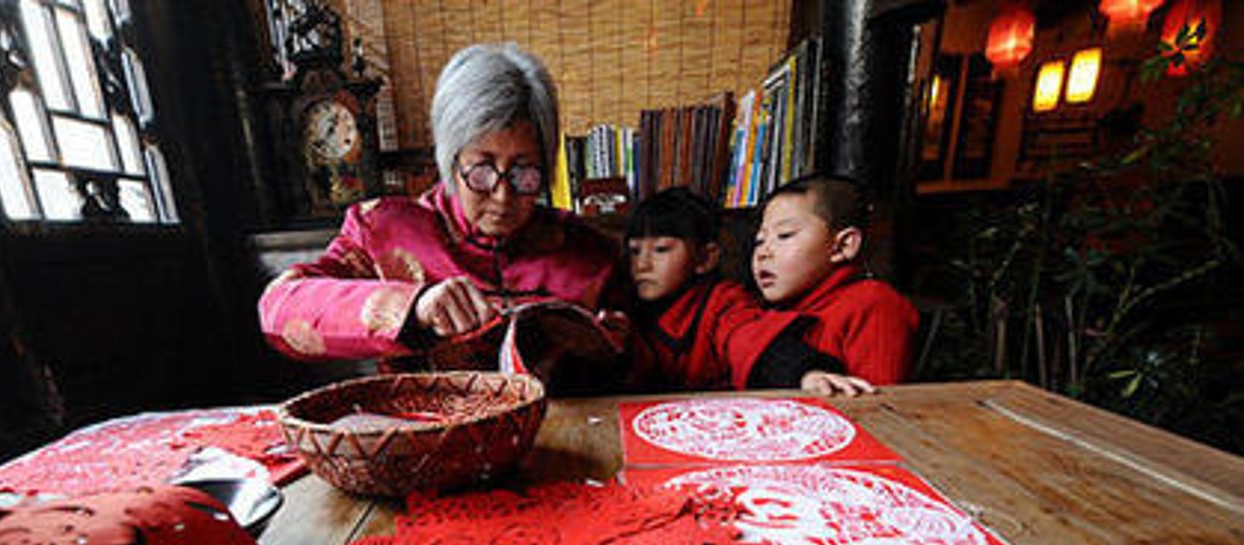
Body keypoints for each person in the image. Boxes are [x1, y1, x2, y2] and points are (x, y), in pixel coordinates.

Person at [257, 43, 624, 367]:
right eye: (481, 170)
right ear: (451, 161)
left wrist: (611, 346)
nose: (502, 195)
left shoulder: (590, 251)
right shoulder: (383, 231)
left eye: (524, 171)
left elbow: (647, 367)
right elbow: (278, 309)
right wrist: (412, 307)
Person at [624, 186, 872, 394]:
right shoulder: (625, 308)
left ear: (705, 258)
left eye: (661, 249)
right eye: (634, 251)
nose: (642, 265)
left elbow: (750, 338)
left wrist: (804, 372)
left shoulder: (723, 303)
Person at [752, 174, 919, 385]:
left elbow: (874, 405)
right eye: (759, 240)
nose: (763, 253)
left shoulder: (874, 304)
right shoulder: (768, 310)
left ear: (843, 245)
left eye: (785, 235)